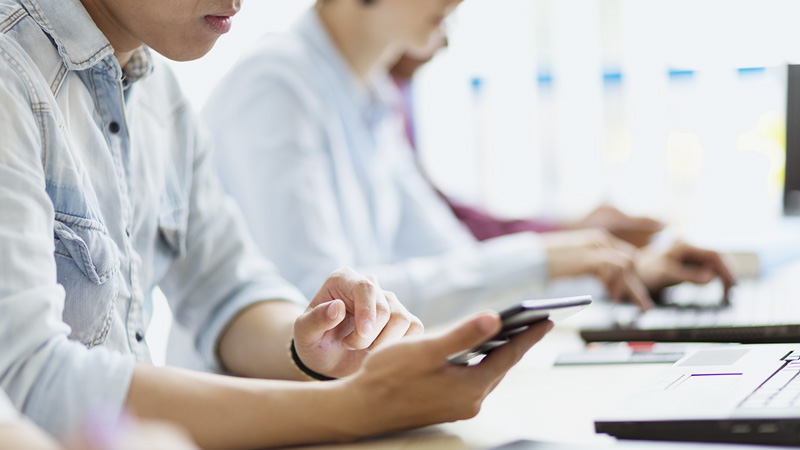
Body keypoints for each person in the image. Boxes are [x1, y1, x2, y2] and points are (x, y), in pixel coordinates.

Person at [0, 0, 553, 448]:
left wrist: (312, 346)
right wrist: (355, 407)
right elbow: (28, 378)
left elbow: (228, 289)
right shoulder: (11, 76)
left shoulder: (157, 93)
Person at [202, 0, 737, 326]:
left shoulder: (371, 97)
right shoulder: (275, 87)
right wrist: (551, 256)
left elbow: (454, 263)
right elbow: (325, 303)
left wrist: (615, 270)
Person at [390, 34, 666, 248]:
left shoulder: (390, 97)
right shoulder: (383, 103)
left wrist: (569, 233)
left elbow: (445, 220)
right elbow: (447, 239)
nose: (445, 42)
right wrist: (566, 240)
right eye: (442, 17)